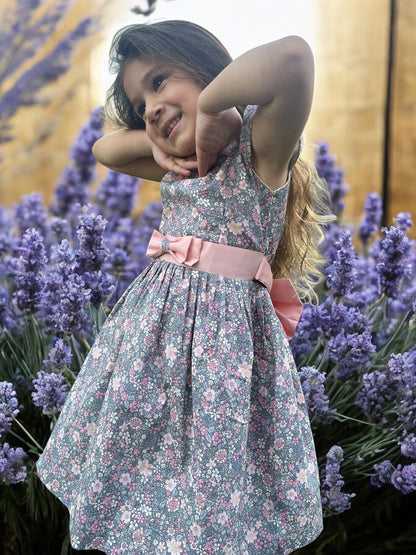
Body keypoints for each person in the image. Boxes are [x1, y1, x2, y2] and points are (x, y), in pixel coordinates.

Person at [37, 20, 333, 554]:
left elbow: (293, 59)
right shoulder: (183, 165)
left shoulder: (257, 151)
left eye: (158, 81)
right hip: (148, 359)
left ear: (205, 67)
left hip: (222, 368)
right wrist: (161, 139)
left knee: (208, 504)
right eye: (138, 103)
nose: (150, 106)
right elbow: (105, 150)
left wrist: (216, 106)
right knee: (138, 491)